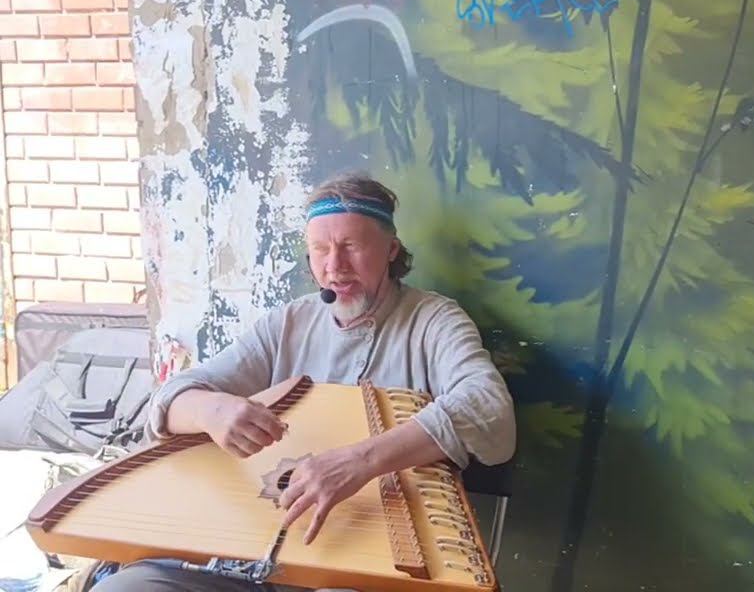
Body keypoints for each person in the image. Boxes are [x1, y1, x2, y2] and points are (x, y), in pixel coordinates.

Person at [93, 172, 517, 592]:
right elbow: (171, 398)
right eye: (320, 249)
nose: (334, 267)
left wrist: (360, 461)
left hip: (368, 567)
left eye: (351, 246)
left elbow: (488, 407)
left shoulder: (434, 321)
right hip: (258, 553)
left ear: (391, 249)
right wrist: (213, 410)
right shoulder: (289, 323)